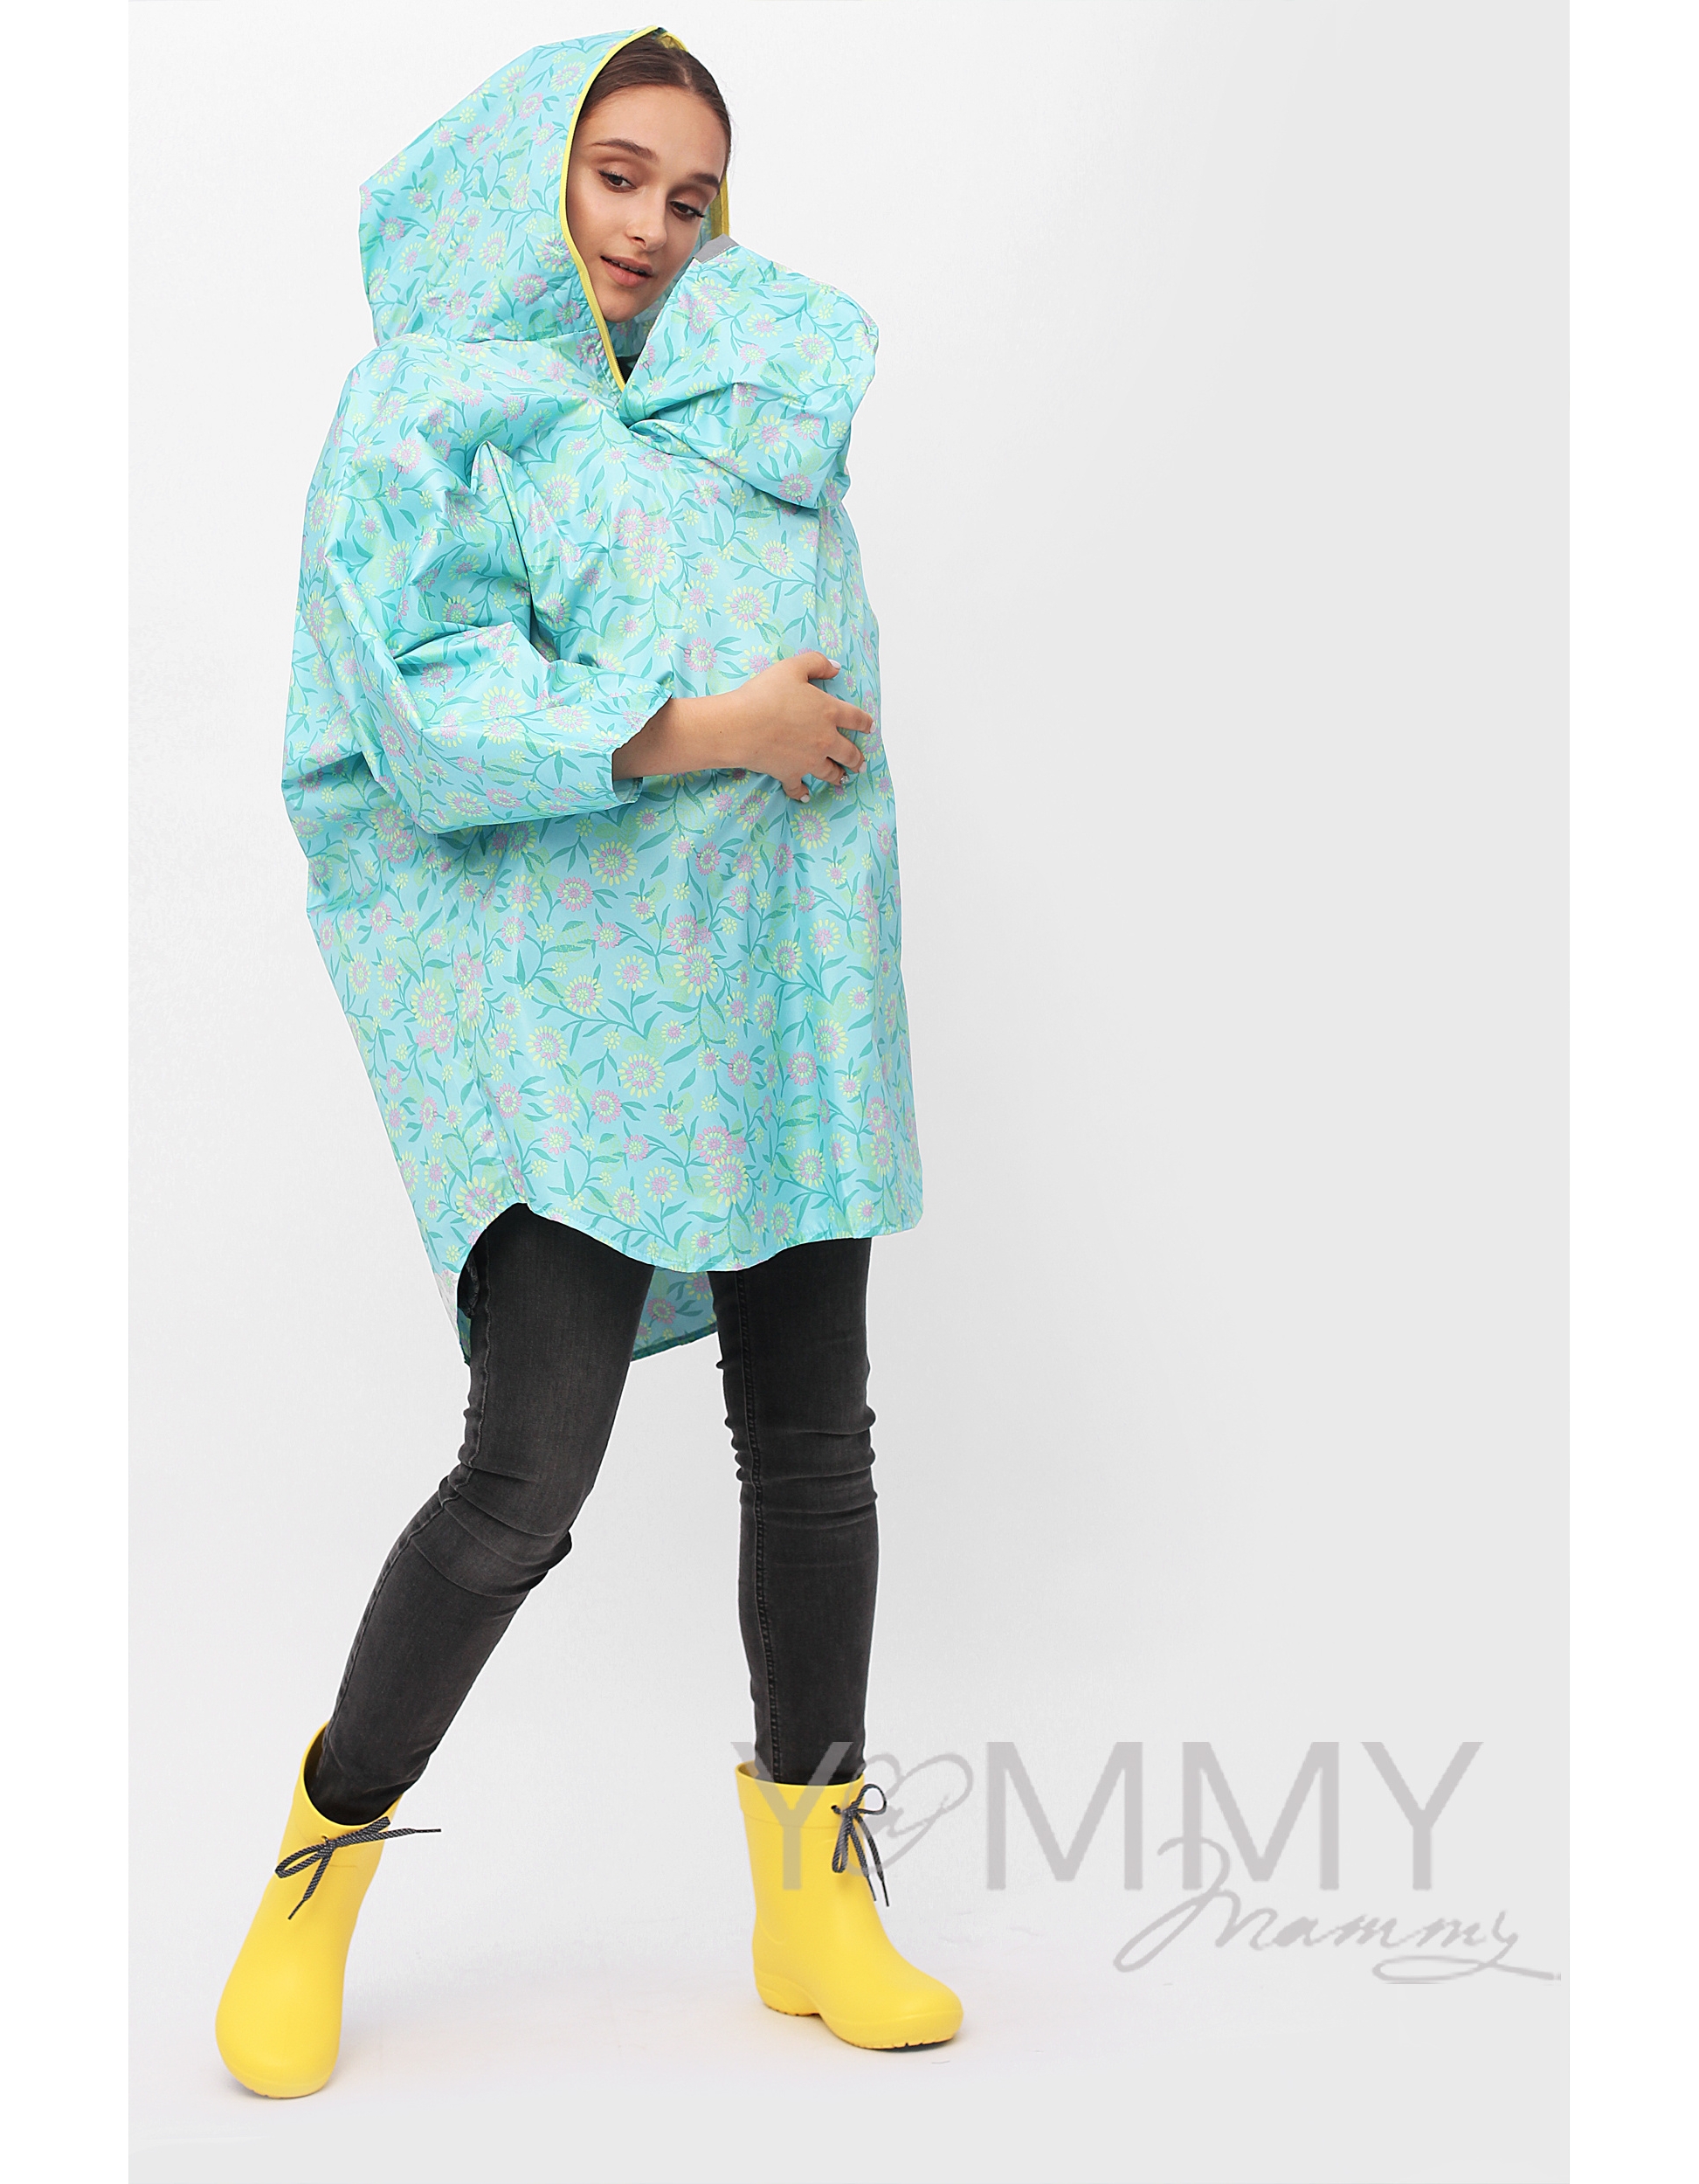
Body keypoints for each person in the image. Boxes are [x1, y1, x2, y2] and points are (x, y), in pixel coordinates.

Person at [213, 24, 962, 2098]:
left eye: (690, 196)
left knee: (814, 1447)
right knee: (523, 1474)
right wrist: (712, 728)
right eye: (616, 173)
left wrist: (791, 768)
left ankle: (813, 1892)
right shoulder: (437, 410)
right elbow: (427, 710)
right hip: (574, 1014)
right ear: (528, 172)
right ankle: (317, 1865)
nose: (649, 227)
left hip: (777, 975)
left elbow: (830, 670)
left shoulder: (750, 401)